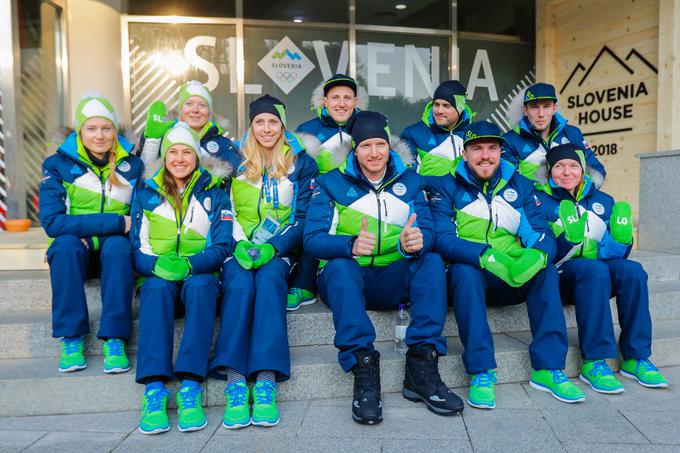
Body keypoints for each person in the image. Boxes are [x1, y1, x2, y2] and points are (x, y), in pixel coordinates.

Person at [304, 110, 464, 425]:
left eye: (380, 145)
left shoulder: (411, 181)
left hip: (393, 274)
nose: (374, 153)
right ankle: (363, 367)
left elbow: (429, 232)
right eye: (366, 146)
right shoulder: (330, 184)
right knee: (338, 267)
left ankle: (422, 366)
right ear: (354, 149)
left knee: (430, 260)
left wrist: (414, 243)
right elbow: (311, 240)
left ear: (389, 147)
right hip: (349, 279)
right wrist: (348, 245)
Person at [429, 121, 586, 409]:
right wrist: (486, 255)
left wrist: (537, 255)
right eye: (477, 149)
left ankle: (548, 368)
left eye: (492, 148)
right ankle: (481, 371)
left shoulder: (521, 185)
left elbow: (540, 233)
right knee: (464, 272)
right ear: (464, 153)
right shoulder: (446, 186)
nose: (485, 155)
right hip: (474, 275)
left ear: (501, 152)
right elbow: (442, 238)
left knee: (546, 269)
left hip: (514, 273)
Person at [209, 95, 319, 429]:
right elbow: (222, 208)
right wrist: (239, 243)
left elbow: (303, 217)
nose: (267, 128)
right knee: (240, 284)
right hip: (237, 246)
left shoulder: (301, 163)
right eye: (260, 122)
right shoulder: (232, 159)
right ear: (251, 126)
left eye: (273, 122)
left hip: (280, 250)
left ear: (282, 126)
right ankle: (236, 379)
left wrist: (275, 245)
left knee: (270, 282)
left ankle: (267, 378)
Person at [535, 143, 669, 391]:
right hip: (560, 274)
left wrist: (622, 242)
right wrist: (567, 241)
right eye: (559, 166)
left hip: (596, 275)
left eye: (574, 166)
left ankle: (635, 356)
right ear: (549, 171)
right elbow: (540, 251)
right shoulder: (539, 200)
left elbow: (611, 254)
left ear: (584, 169)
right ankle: (595, 361)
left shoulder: (603, 201)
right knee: (592, 269)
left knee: (632, 271)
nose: (567, 172)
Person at [130, 122, 232, 434]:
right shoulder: (146, 193)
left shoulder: (215, 192)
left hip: (198, 274)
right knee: (156, 290)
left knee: (202, 287)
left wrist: (190, 265)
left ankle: (190, 385)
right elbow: (135, 247)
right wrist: (155, 264)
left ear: (197, 157)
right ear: (163, 156)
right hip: (159, 273)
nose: (179, 158)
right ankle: (155, 387)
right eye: (172, 151)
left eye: (186, 151)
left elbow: (223, 244)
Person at [39, 92, 143, 374]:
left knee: (118, 247)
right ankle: (71, 338)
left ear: (114, 130)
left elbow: (137, 218)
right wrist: (115, 224)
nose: (99, 135)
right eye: (91, 128)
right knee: (64, 246)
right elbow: (52, 222)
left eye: (106, 128)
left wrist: (97, 229)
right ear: (79, 131)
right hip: (77, 255)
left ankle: (115, 338)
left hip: (116, 255)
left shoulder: (132, 166)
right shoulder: (56, 165)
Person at [289, 74, 368, 311]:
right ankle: (304, 286)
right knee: (310, 222)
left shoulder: (366, 127)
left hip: (357, 198)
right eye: (335, 98)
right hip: (319, 198)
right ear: (324, 101)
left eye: (347, 98)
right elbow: (298, 170)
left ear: (355, 101)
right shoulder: (307, 130)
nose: (341, 103)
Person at [502, 82, 606, 187]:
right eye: (534, 107)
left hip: (569, 202)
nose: (541, 114)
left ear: (554, 108)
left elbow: (596, 171)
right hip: (531, 203)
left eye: (546, 106)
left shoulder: (572, 133)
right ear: (525, 110)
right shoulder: (509, 140)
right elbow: (511, 185)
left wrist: (574, 192)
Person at [138, 80, 240, 171]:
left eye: (202, 105)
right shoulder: (163, 136)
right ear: (180, 109)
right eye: (189, 103)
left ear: (210, 112)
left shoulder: (224, 145)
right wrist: (152, 140)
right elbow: (143, 178)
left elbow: (232, 182)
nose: (195, 110)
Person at [400, 80, 473, 176]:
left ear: (459, 108)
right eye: (436, 104)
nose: (439, 110)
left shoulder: (473, 133)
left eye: (446, 106)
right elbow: (405, 177)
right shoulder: (412, 134)